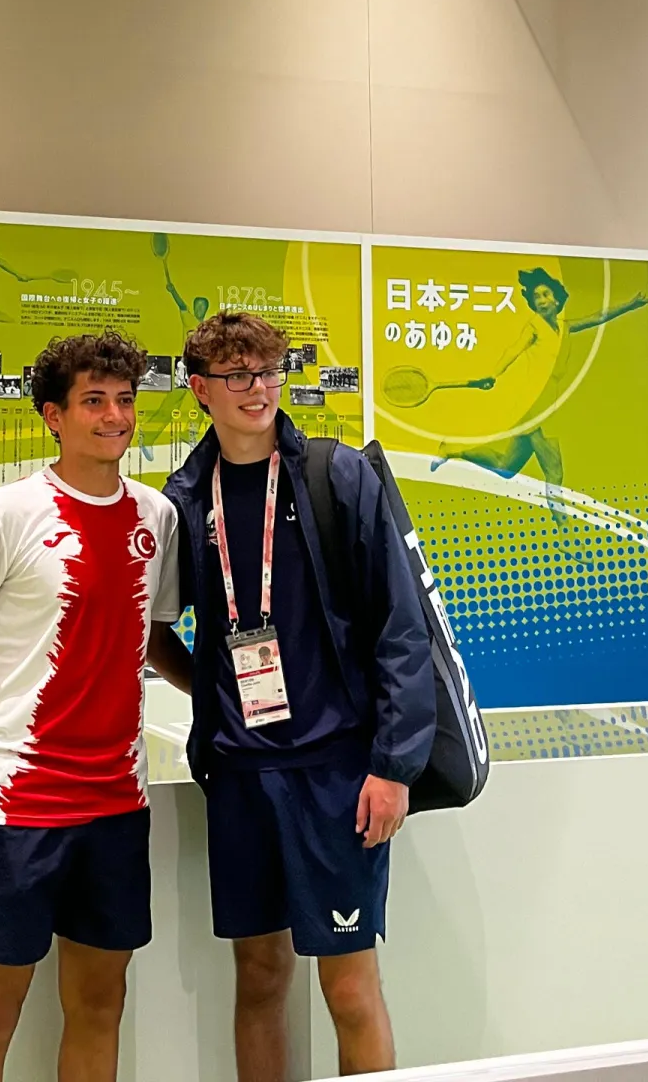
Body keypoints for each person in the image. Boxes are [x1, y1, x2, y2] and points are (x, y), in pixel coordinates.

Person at [148, 311, 435, 1080]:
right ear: (201, 389)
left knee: (350, 986)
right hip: (241, 776)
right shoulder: (184, 500)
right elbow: (155, 630)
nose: (260, 388)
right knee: (260, 976)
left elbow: (400, 625)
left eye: (270, 371)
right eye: (238, 375)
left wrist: (393, 767)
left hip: (336, 774)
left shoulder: (335, 476)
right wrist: (214, 695)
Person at [0, 330, 180, 1082]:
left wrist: (231, 700)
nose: (114, 416)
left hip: (117, 805)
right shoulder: (6, 514)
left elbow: (151, 638)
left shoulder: (156, 517)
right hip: (16, 807)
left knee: (99, 1005)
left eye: (124, 400)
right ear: (53, 417)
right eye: (93, 401)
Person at [430, 267, 648, 522]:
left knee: (505, 467)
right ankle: (564, 529)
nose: (542, 301)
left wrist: (630, 305)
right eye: (536, 297)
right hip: (535, 405)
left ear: (557, 299)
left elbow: (598, 317)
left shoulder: (565, 328)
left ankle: (453, 448)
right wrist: (494, 374)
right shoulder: (534, 327)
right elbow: (513, 350)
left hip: (546, 406)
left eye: (546, 295)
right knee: (554, 472)